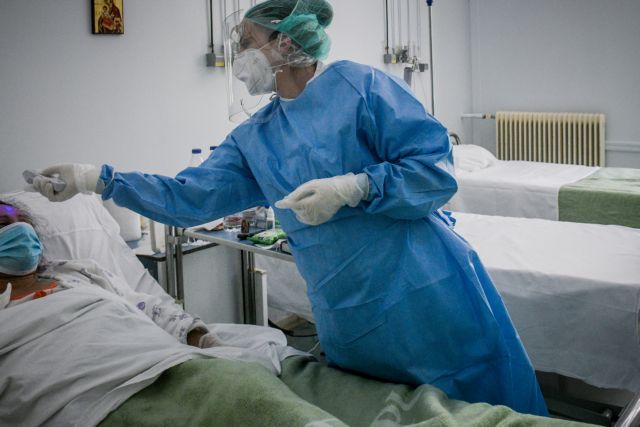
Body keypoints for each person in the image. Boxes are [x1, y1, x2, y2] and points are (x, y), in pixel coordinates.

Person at [30, 0, 547, 416]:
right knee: (378, 410)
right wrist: (98, 179)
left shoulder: (361, 88)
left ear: (284, 41)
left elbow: (434, 171)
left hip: (422, 288)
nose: (239, 55)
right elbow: (190, 197)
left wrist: (355, 186)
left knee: (473, 407)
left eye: (246, 41)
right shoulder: (257, 136)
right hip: (347, 312)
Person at [0, 201, 215, 348]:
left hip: (150, 354)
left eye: (24, 223)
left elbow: (146, 307)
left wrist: (198, 337)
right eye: (3, 224)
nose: (21, 231)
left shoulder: (78, 271)